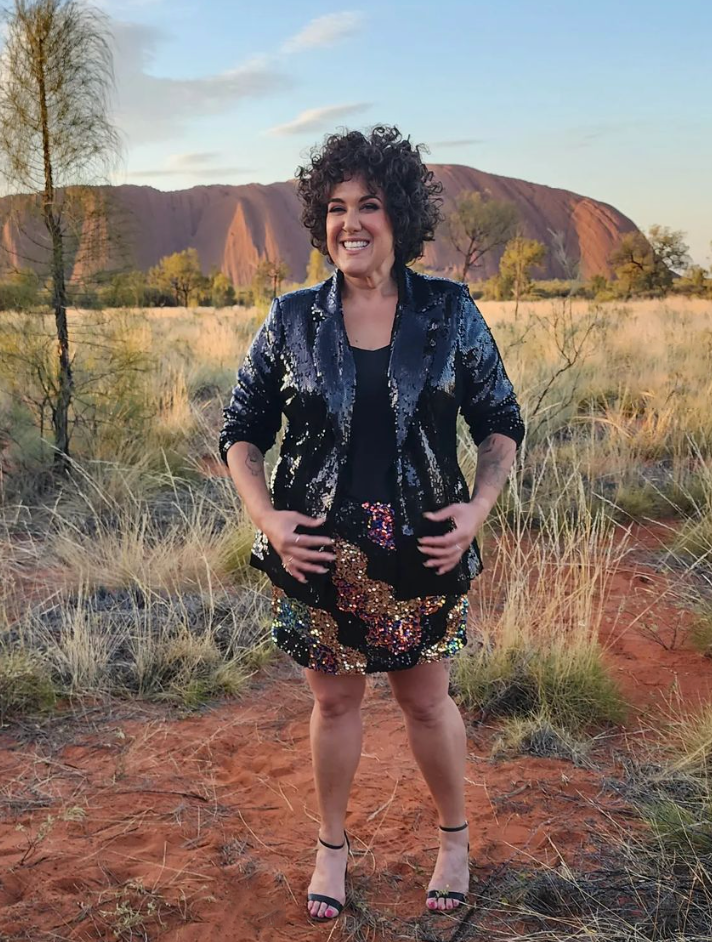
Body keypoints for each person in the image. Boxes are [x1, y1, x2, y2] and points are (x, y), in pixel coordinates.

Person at [218, 126, 524, 921]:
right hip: (318, 552)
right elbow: (239, 430)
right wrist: (269, 521)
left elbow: (501, 424)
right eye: (336, 207)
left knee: (427, 702)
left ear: (401, 218)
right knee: (335, 706)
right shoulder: (290, 319)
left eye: (370, 206)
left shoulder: (451, 312)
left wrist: (477, 510)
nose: (350, 223)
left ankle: (454, 838)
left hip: (425, 548)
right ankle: (331, 846)